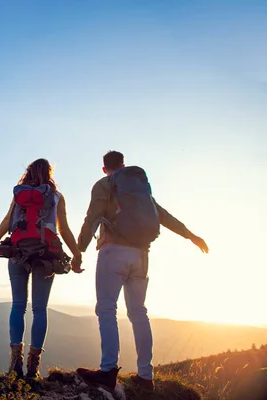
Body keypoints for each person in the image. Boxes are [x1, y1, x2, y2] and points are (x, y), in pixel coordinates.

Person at [75, 151, 209, 392]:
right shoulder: (139, 190)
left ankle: (108, 370)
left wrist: (78, 251)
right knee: (139, 312)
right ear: (123, 166)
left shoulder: (104, 185)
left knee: (107, 308)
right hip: (142, 255)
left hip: (113, 251)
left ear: (104, 169)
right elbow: (163, 216)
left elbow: (92, 218)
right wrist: (191, 235)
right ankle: (146, 375)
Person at [0, 158, 83, 379]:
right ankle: (33, 366)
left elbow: (7, 220)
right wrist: (76, 253)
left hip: (17, 252)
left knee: (18, 305)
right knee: (40, 310)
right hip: (45, 256)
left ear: (28, 172)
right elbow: (63, 229)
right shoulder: (56, 197)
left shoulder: (19, 194)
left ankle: (15, 363)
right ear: (49, 173)